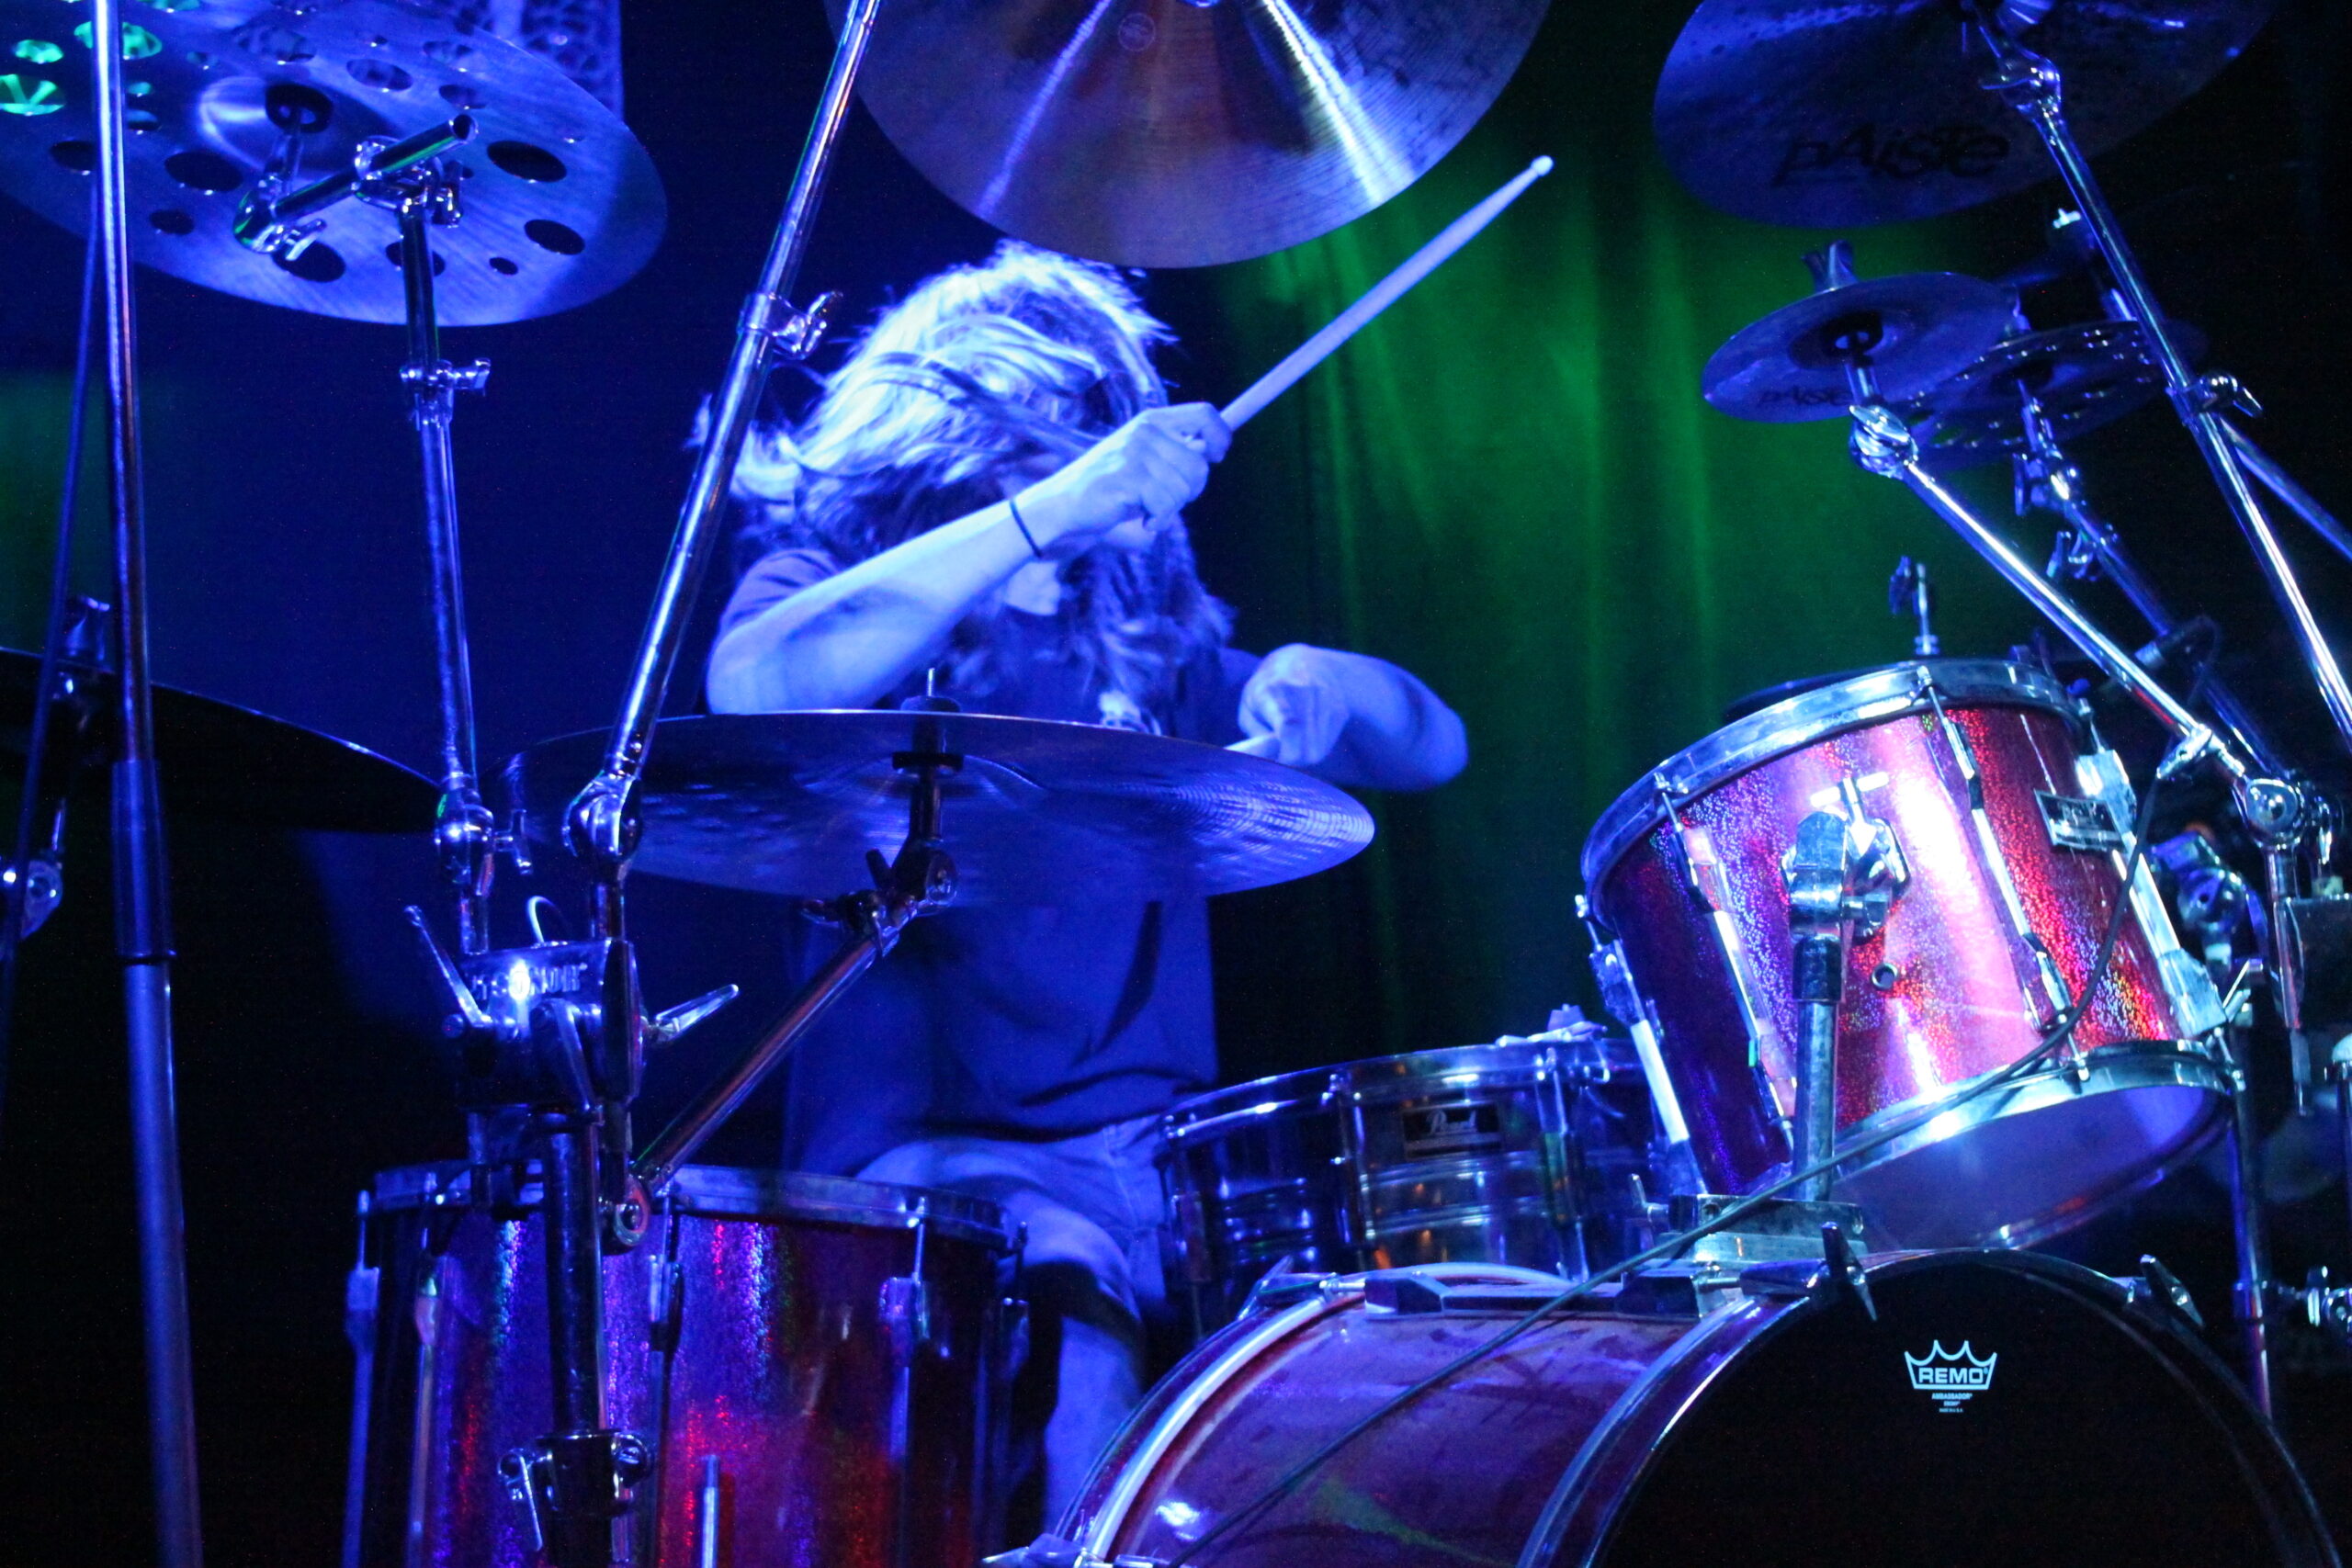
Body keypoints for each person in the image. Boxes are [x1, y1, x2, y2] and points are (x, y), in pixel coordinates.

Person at [707, 242, 1466, 1528]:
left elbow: (1434, 748)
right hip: (927, 1156)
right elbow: (751, 689)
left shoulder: (1142, 643)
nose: (1105, 453)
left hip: (1161, 1154)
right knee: (1078, 1320)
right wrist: (1060, 502)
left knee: (1378, 1348)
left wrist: (1325, 682)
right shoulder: (835, 589)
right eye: (1065, 426)